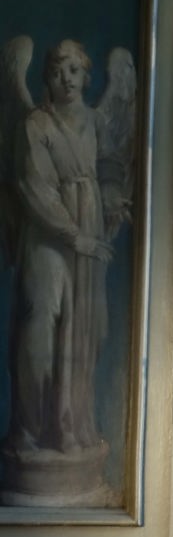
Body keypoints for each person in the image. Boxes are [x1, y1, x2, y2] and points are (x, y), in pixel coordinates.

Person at [6, 40, 114, 462]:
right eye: (55, 71)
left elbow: (111, 169)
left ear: (86, 76)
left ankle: (69, 425)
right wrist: (74, 235)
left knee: (87, 328)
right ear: (45, 79)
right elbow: (34, 186)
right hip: (48, 234)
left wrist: (112, 198)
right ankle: (29, 430)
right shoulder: (36, 124)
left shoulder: (96, 121)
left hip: (90, 226)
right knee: (42, 323)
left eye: (72, 69)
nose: (65, 78)